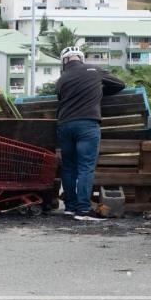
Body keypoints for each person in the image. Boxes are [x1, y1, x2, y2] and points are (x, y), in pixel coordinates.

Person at [56, 46, 125, 221]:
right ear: (81, 58)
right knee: (86, 167)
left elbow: (59, 98)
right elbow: (120, 84)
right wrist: (99, 91)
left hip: (65, 125)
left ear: (65, 61)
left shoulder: (62, 79)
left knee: (69, 167)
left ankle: (70, 208)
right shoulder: (94, 70)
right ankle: (84, 210)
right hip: (87, 124)